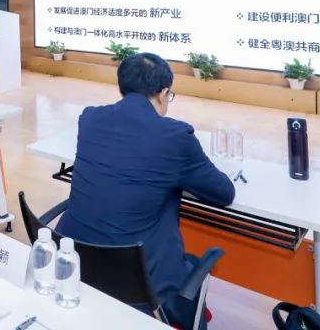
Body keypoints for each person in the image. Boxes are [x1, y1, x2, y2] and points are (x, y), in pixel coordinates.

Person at [55, 53, 235, 326]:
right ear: (163, 94)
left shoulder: (89, 118)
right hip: (138, 284)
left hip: (78, 264)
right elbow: (223, 193)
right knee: (186, 261)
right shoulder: (175, 136)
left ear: (122, 88)